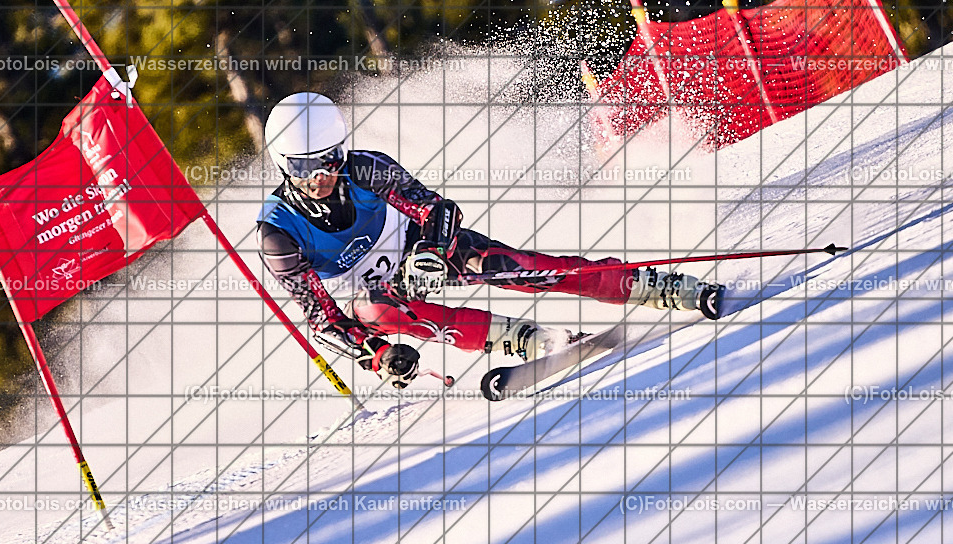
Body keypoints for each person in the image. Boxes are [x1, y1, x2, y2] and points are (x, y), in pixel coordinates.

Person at [257, 93, 722, 390]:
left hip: (418, 248)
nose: (321, 176)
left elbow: (438, 210)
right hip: (372, 295)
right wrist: (377, 355)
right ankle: (527, 341)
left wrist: (432, 253)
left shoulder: (365, 168)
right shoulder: (278, 232)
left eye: (330, 159)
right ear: (282, 165)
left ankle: (653, 286)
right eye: (303, 167)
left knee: (514, 267)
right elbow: (320, 315)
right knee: (378, 310)